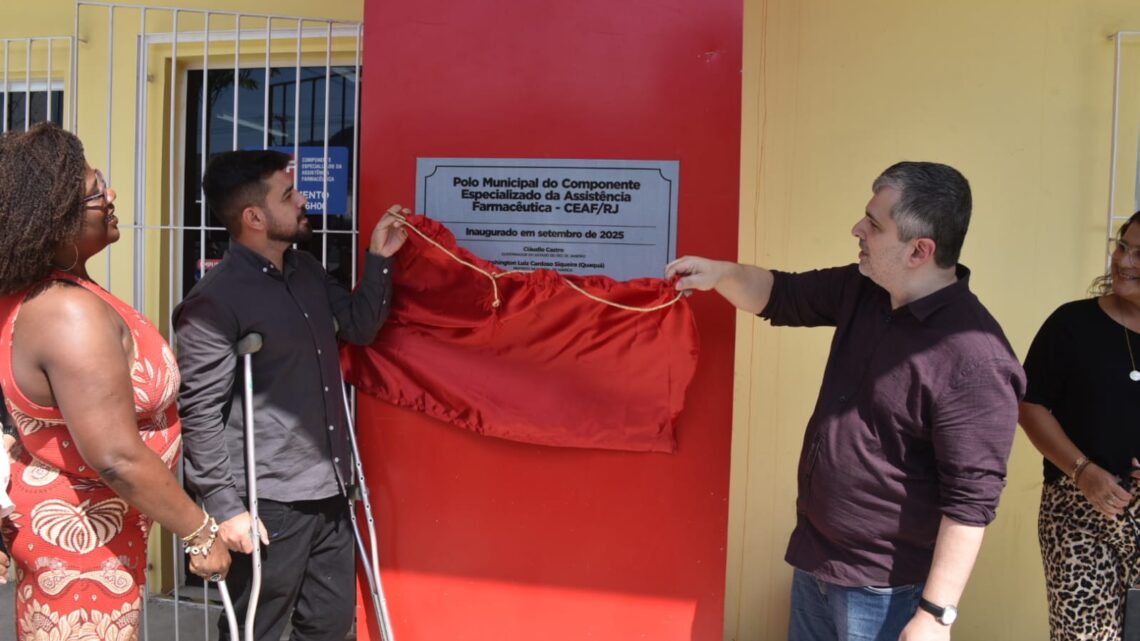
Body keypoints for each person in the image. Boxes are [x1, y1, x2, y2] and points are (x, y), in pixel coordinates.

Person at [667, 161, 1024, 641]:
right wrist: (720, 274)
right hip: (817, 563)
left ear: (921, 250)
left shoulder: (975, 357)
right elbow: (781, 293)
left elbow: (971, 503)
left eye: (875, 225)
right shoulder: (868, 289)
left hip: (885, 590)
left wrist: (936, 615)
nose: (858, 229)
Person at [0, 123, 230, 638]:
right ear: (54, 220)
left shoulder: (53, 293)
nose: (112, 195)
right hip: (82, 555)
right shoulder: (66, 313)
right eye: (96, 189)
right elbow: (116, 456)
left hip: (100, 537)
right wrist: (198, 532)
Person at [173, 149, 408, 641]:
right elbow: (200, 414)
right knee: (256, 627)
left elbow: (360, 327)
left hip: (329, 488)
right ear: (254, 217)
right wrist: (223, 507)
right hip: (268, 500)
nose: (303, 200)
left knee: (328, 624)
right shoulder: (213, 302)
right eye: (288, 193)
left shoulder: (305, 270)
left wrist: (379, 258)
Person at [1019, 210, 1140, 641]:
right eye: (1123, 246)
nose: (1124, 261)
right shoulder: (1072, 325)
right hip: (1080, 513)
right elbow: (1030, 406)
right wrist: (1082, 471)